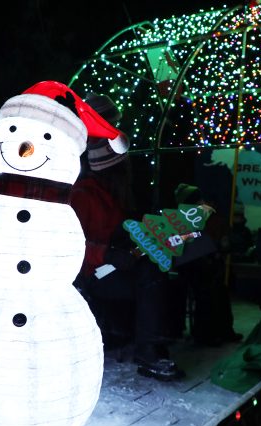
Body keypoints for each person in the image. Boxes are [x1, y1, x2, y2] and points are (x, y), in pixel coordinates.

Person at [70, 93, 184, 381]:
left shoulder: (119, 194)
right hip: (91, 274)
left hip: (114, 264)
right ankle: (149, 350)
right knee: (150, 274)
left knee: (165, 267)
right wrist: (107, 254)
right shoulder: (83, 196)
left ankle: (158, 338)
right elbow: (72, 246)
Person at [172, 184, 241, 346]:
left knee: (217, 289)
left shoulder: (207, 218)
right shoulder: (181, 219)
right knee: (207, 290)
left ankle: (221, 331)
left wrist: (219, 248)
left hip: (203, 264)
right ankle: (205, 334)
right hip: (189, 267)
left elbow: (220, 243)